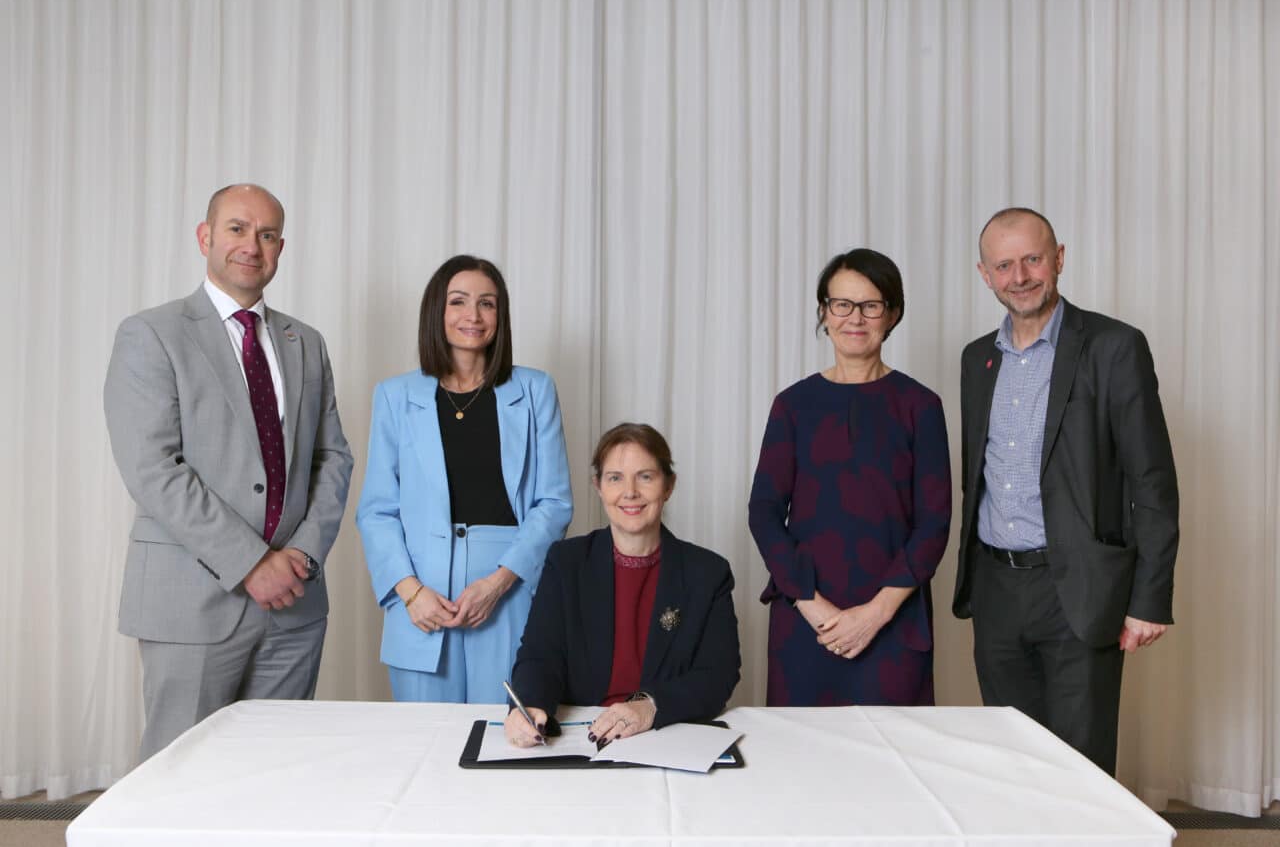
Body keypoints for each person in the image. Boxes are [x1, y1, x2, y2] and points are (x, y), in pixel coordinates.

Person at [104, 183, 354, 761]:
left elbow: (332, 458)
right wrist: (251, 563)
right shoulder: (151, 335)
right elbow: (153, 468)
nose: (252, 245)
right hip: (191, 601)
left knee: (271, 773)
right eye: (238, 228)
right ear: (205, 236)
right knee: (180, 772)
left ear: (281, 247)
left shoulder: (305, 342)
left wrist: (303, 557)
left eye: (267, 234)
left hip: (294, 601)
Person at [952, 207, 1179, 775]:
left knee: (1082, 767)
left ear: (1059, 258)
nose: (1020, 275)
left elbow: (1151, 479)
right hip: (997, 590)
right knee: (1011, 761)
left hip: (1079, 590)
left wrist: (1149, 600)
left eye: (1032, 258)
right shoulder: (976, 359)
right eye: (1004, 265)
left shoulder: (1115, 347)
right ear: (985, 274)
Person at [357, 255, 572, 704]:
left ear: (501, 316)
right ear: (437, 311)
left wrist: (497, 583)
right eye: (459, 302)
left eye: (487, 304)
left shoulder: (534, 391)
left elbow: (553, 504)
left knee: (507, 742)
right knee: (425, 749)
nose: (473, 316)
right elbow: (377, 510)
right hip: (419, 597)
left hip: (508, 591)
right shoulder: (395, 397)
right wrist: (410, 593)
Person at [748, 248, 952, 707]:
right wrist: (813, 607)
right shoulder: (793, 405)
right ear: (824, 312)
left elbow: (934, 523)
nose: (855, 318)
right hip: (806, 623)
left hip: (893, 622)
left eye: (870, 305)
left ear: (892, 314)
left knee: (893, 765)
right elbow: (763, 514)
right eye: (842, 304)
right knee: (802, 763)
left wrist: (875, 615)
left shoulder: (921, 406)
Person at [505, 423, 740, 747]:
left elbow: (718, 675)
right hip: (580, 737)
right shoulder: (566, 562)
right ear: (598, 486)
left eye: (645, 476)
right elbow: (540, 655)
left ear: (668, 486)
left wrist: (650, 706)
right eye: (615, 477)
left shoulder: (708, 572)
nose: (630, 492)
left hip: (667, 735)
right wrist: (530, 705)